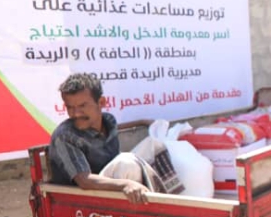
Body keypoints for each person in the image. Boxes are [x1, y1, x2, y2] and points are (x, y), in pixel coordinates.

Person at [49, 72, 180, 203]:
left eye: (82, 106)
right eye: (70, 107)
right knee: (126, 162)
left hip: (111, 183)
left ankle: (173, 199)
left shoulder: (108, 121)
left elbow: (113, 126)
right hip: (87, 197)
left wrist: (141, 122)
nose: (76, 114)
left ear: (101, 102)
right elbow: (84, 180)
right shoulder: (65, 136)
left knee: (154, 145)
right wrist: (126, 184)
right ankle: (158, 206)